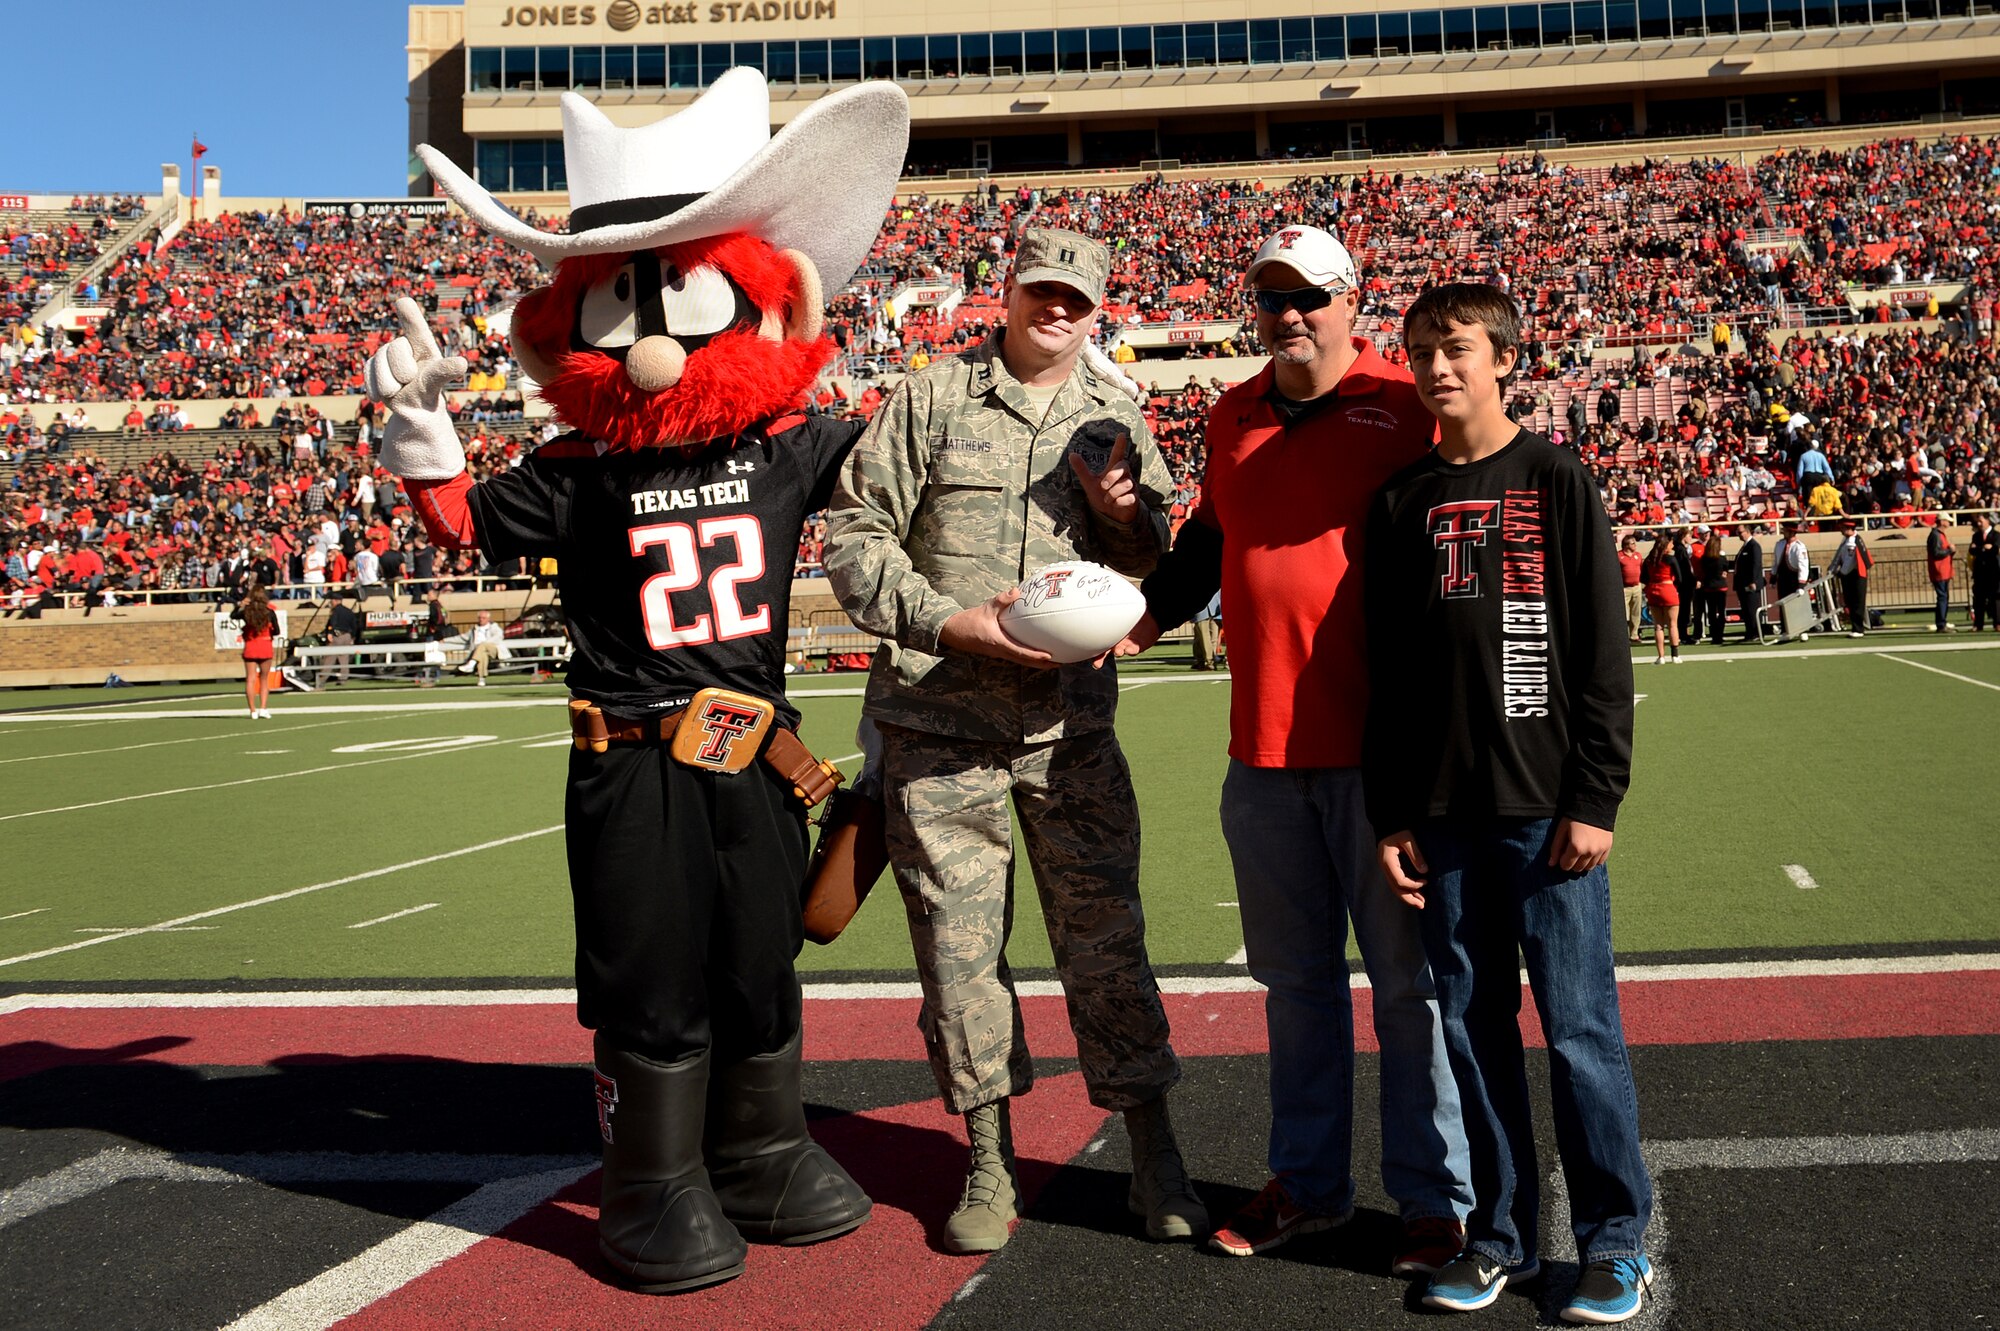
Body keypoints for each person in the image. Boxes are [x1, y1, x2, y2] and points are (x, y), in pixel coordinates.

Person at [822, 226, 1205, 1256]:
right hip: (940, 725)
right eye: (1042, 290)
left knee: (1106, 944)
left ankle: (1151, 1149)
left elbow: (1151, 559)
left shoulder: (1114, 414)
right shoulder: (932, 399)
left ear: (1096, 308)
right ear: (1008, 288)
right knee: (957, 956)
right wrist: (947, 620)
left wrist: (1120, 515)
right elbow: (853, 536)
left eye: (1077, 299)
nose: (1058, 311)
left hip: (1068, 735)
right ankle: (987, 1153)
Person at [1114, 223, 1472, 1277]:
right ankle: (1309, 1187)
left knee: (1409, 994)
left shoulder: (1408, 406)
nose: (1288, 314)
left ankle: (1433, 1200)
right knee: (1296, 990)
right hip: (1260, 755)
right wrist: (1128, 622)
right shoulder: (1231, 412)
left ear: (1350, 299)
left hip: (1384, 760)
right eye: (1270, 296)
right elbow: (1207, 545)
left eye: (1307, 295)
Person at [1364, 282, 1654, 1324]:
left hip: (1545, 817)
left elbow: (1601, 658)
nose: (1435, 367)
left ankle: (1616, 1238)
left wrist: (1594, 794)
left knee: (1577, 1030)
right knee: (1472, 1027)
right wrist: (1390, 810)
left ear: (1501, 358)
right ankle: (1498, 1235)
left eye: (1453, 349)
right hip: (1441, 817)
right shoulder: (1397, 501)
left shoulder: (1554, 479)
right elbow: (1385, 675)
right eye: (1418, 351)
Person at [237, 583, 279, 719]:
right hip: (265, 644)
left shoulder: (246, 612)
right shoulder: (269, 612)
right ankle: (263, 708)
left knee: (250, 679)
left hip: (251, 645)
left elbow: (233, 616)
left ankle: (252, 710)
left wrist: (241, 604)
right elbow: (277, 631)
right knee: (264, 679)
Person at [1640, 534, 1681, 664]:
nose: (1672, 545)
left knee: (1658, 626)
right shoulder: (1670, 559)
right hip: (1668, 589)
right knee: (1672, 624)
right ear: (1666, 545)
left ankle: (1661, 656)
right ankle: (1675, 655)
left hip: (1653, 591)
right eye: (1671, 543)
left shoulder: (1649, 559)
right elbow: (1679, 578)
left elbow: (1643, 578)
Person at [1830, 518, 1872, 637]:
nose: (1840, 531)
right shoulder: (1847, 540)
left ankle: (1858, 629)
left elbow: (1850, 562)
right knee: (1850, 601)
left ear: (1848, 528)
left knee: (1857, 602)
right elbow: (1839, 556)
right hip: (1849, 574)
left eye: (1842, 528)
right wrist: (1832, 568)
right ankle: (1855, 627)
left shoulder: (1852, 542)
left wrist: (1841, 572)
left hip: (1855, 574)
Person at [1695, 529, 1729, 646]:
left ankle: (1714, 635)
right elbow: (1726, 568)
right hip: (1720, 588)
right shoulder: (1721, 558)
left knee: (1712, 613)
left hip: (1709, 587)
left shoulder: (1704, 559)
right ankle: (1720, 635)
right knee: (1721, 612)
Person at [1733, 525, 1766, 643]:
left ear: (1747, 532)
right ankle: (1749, 633)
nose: (1739, 535)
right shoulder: (1745, 546)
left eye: (1740, 532)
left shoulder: (1754, 546)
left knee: (1752, 609)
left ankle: (1755, 633)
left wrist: (1753, 581)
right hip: (1743, 584)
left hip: (1750, 584)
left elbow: (1756, 565)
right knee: (1746, 610)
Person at [456, 608, 506, 685]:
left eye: (483, 618)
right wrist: (444, 640)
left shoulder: (494, 627)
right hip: (480, 652)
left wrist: (485, 643)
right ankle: (481, 679)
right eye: (480, 618)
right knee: (482, 654)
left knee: (482, 645)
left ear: (488, 619)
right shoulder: (474, 629)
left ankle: (471, 663)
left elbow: (499, 636)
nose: (481, 620)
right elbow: (462, 638)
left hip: (494, 650)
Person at [323, 587, 361, 684]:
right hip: (347, 636)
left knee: (329, 658)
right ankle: (343, 679)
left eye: (332, 601)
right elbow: (354, 625)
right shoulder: (349, 611)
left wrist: (330, 633)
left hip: (337, 636)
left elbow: (333, 623)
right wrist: (353, 636)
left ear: (335, 601)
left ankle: (322, 679)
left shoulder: (335, 611)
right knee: (344, 658)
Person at [1971, 513, 2000, 631]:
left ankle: (1997, 623)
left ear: (1988, 521)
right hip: (1979, 572)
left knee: (1996, 598)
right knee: (1979, 599)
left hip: (1994, 572)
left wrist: (1981, 549)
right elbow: (1972, 550)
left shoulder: (1996, 535)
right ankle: (1978, 624)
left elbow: (1995, 549)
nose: (1979, 524)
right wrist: (1983, 548)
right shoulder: (1976, 536)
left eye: (1981, 521)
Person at [1927, 521, 1956, 632]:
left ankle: (1942, 621)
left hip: (1944, 570)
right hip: (1939, 571)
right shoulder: (1935, 535)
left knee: (1944, 597)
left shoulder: (1939, 534)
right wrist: (1949, 550)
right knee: (1942, 597)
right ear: (1943, 522)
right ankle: (1941, 624)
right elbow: (1936, 553)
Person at [1616, 534, 1644, 644]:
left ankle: (1634, 635)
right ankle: (1621, 635)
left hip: (1636, 587)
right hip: (1624, 588)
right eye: (1633, 543)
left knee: (1636, 612)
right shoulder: (1619, 556)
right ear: (1626, 545)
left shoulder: (1638, 555)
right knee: (1623, 612)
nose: (1635, 545)